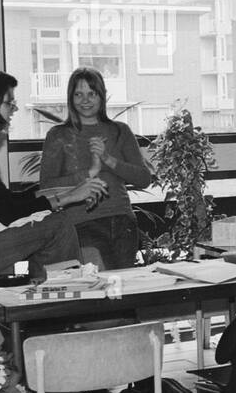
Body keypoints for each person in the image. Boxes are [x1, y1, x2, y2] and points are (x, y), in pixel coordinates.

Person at [0, 70, 108, 282]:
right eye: (9, 103)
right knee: (58, 224)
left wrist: (66, 191)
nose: (14, 109)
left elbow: (4, 200)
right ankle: (65, 301)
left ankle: (45, 291)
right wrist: (69, 197)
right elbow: (7, 211)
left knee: (36, 252)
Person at [39, 68, 153, 270]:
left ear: (102, 96)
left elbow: (144, 178)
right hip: (80, 225)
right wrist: (90, 172)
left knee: (122, 291)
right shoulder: (58, 135)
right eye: (78, 94)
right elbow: (47, 188)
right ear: (70, 98)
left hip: (122, 222)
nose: (85, 100)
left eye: (92, 93)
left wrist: (109, 160)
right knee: (98, 289)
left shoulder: (120, 131)